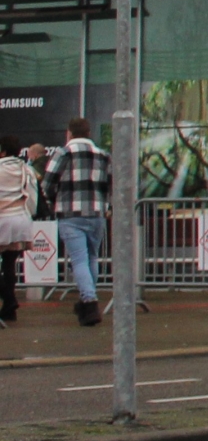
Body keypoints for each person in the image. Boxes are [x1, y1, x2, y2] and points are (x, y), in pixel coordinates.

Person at [44, 118, 111, 328]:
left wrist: (54, 200)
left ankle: (90, 302)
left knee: (79, 260)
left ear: (69, 133)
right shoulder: (103, 155)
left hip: (70, 213)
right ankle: (86, 300)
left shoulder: (63, 153)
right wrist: (105, 205)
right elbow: (111, 185)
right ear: (89, 132)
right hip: (97, 213)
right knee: (92, 257)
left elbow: (47, 182)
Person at [0, 143, 40, 326]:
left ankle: (9, 300)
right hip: (20, 220)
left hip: (2, 219)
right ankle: (9, 307)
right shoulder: (27, 170)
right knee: (9, 265)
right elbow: (32, 198)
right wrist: (28, 216)